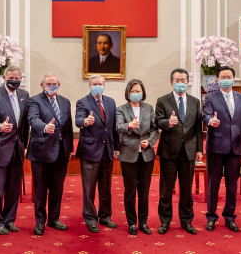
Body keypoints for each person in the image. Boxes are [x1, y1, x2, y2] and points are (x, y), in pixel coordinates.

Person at [155, 68, 203, 235]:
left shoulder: (195, 101)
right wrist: (168, 122)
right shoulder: (163, 100)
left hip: (189, 151)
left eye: (183, 80)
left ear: (187, 82)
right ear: (171, 82)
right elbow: (157, 122)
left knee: (186, 189)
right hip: (169, 150)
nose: (180, 83)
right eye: (177, 80)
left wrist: (199, 150)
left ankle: (186, 221)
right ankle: (165, 221)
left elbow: (198, 128)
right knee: (166, 189)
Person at [0, 65, 29, 235]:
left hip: (17, 149)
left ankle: (9, 220)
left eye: (17, 79)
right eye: (11, 78)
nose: (14, 81)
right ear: (4, 78)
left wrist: (24, 144)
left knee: (13, 188)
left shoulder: (24, 95)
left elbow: (25, 124)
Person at [202, 66, 241, 233]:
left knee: (232, 186)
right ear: (218, 80)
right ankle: (211, 217)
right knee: (213, 184)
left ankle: (229, 217)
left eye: (229, 76)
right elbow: (206, 115)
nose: (226, 79)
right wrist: (210, 121)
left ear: (234, 79)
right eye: (223, 77)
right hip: (215, 147)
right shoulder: (210, 98)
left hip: (235, 148)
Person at [27, 72, 73, 235]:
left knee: (57, 188)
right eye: (48, 84)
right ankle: (40, 221)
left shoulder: (65, 102)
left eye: (54, 84)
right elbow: (33, 119)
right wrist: (45, 127)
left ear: (59, 86)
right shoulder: (34, 100)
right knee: (41, 189)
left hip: (61, 152)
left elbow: (67, 128)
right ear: (42, 85)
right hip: (41, 151)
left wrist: (70, 150)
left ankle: (54, 219)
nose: (51, 86)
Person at [75, 74, 120, 233]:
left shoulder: (110, 102)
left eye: (100, 84)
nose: (97, 86)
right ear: (89, 86)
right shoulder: (83, 102)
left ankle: (105, 216)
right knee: (89, 188)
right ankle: (90, 218)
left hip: (107, 151)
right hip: (90, 151)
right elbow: (78, 120)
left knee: (106, 187)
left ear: (104, 85)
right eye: (94, 84)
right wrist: (85, 122)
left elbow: (114, 127)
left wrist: (117, 147)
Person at [116, 79, 158, 236]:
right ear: (128, 93)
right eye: (133, 91)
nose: (136, 94)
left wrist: (151, 141)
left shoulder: (148, 108)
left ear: (143, 92)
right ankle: (132, 223)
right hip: (129, 154)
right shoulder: (121, 109)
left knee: (144, 191)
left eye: (138, 91)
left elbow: (154, 129)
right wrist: (129, 125)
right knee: (130, 190)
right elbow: (118, 126)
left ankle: (144, 222)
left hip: (146, 154)